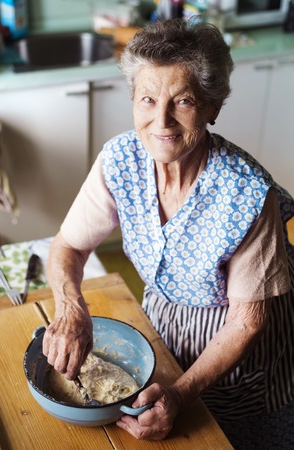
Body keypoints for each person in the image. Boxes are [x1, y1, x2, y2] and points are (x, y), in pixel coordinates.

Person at [42, 19, 294, 447]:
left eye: (182, 101)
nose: (161, 120)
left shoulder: (249, 194)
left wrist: (180, 393)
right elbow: (69, 246)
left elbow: (247, 323)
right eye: (147, 99)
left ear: (212, 107)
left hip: (237, 352)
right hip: (162, 328)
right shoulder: (119, 160)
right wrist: (70, 308)